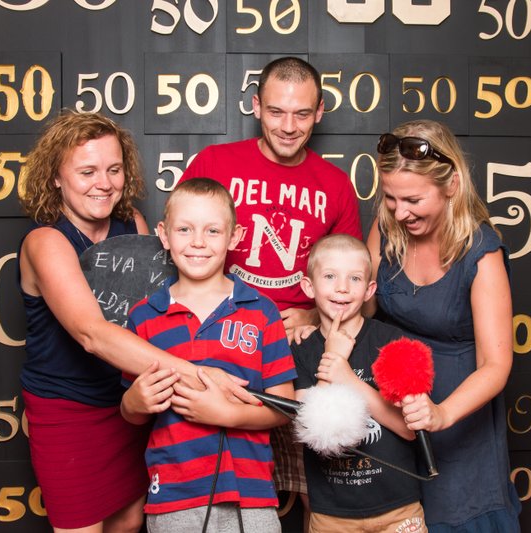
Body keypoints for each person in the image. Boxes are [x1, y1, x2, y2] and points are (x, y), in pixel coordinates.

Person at [18, 110, 253, 532]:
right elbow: (92, 334)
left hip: (132, 402)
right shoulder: (45, 241)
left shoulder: (134, 225)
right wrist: (200, 374)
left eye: (114, 169)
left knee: (128, 521)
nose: (104, 183)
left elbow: (158, 314)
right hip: (68, 410)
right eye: (87, 172)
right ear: (55, 177)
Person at [181, 56, 362, 515]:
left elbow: (353, 277)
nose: (288, 126)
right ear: (256, 106)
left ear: (320, 112)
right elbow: (180, 247)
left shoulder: (336, 184)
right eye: (276, 111)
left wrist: (312, 312)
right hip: (224, 343)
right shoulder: (215, 162)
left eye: (302, 113)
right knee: (220, 489)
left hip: (299, 347)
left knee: (322, 492)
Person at [365, 119, 521, 531]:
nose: (400, 212)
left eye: (413, 199)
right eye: (390, 198)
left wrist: (441, 414)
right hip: (392, 412)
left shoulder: (482, 252)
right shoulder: (387, 227)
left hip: (458, 420)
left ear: (451, 184)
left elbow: (496, 365)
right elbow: (364, 306)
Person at [120, 177, 297, 533]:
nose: (198, 242)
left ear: (235, 237)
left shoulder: (262, 311)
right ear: (164, 235)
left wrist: (227, 414)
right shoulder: (144, 316)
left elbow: (284, 408)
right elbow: (130, 412)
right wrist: (134, 402)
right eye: (184, 229)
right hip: (174, 496)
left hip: (251, 494)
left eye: (212, 231)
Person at [291, 234, 426, 532]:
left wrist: (348, 379)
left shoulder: (391, 341)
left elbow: (409, 428)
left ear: (369, 290)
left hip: (398, 508)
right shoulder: (301, 350)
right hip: (332, 515)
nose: (342, 287)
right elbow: (311, 432)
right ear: (309, 286)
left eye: (354, 278)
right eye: (330, 276)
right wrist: (332, 359)